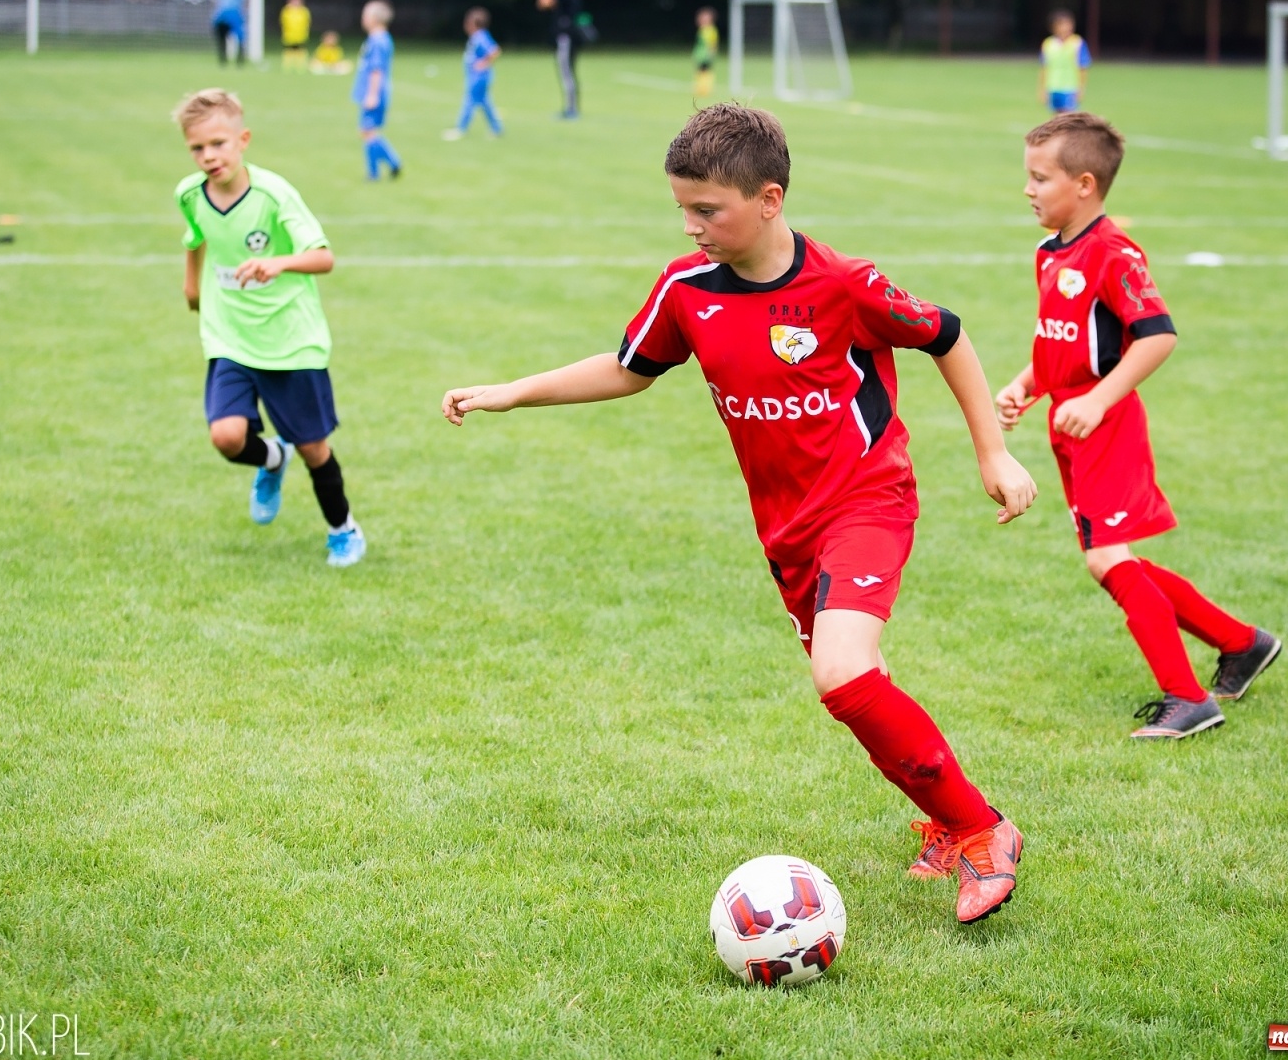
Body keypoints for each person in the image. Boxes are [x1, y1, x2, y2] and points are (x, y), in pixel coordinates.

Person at [442, 104, 1036, 925]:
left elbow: (948, 336)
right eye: (682, 209)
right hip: (785, 529)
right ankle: (946, 821)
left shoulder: (844, 285)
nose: (692, 228)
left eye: (708, 211)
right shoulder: (687, 292)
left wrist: (992, 454)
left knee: (844, 673)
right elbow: (628, 367)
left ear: (769, 197)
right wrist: (513, 391)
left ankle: (981, 832)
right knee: (860, 688)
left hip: (868, 498)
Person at [996, 113, 1281, 740]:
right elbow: (1065, 341)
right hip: (1069, 420)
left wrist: (1098, 401)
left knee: (1107, 559)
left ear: (1086, 184)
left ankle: (1187, 698)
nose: (1029, 190)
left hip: (1106, 425)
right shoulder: (1051, 251)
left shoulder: (1113, 252)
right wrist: (1026, 384)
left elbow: (1157, 337)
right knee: (1110, 557)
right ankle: (1242, 642)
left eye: (1040, 178)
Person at [173, 88, 366, 568]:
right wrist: (192, 285)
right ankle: (271, 461)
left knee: (313, 448)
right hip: (229, 336)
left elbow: (324, 258)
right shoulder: (189, 194)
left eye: (218, 143)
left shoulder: (274, 194)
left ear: (243, 139)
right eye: (197, 148)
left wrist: (277, 263)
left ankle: (343, 529)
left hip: (290, 342)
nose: (209, 156)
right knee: (226, 437)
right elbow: (195, 237)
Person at [354, 1, 401, 180]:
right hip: (373, 92)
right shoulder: (379, 38)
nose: (363, 18)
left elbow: (376, 69)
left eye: (365, 15)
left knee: (368, 131)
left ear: (374, 18)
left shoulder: (378, 40)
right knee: (367, 131)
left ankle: (377, 171)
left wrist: (372, 95)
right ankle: (391, 164)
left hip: (374, 93)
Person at [443, 6, 501, 140]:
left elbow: (495, 51)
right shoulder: (476, 37)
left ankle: (461, 128)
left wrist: (483, 64)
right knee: (485, 102)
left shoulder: (481, 36)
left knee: (469, 101)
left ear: (474, 24)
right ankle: (497, 128)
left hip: (479, 77)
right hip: (476, 76)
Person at [536, 0, 583, 119]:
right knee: (567, 73)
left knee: (567, 73)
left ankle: (571, 110)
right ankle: (570, 108)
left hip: (566, 39)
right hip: (565, 38)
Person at [1038, 9, 1089, 114]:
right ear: (1054, 27)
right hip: (1053, 87)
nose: (1066, 27)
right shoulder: (1048, 44)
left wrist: (1081, 88)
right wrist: (1042, 89)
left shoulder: (1077, 43)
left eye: (1069, 24)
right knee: (1056, 121)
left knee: (1068, 119)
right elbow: (1044, 68)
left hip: (1070, 87)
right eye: (1062, 24)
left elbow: (1083, 67)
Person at [693, 7, 718, 98]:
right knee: (699, 71)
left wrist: (711, 53)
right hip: (700, 55)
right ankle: (700, 87)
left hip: (706, 55)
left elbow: (712, 43)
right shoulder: (702, 30)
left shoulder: (711, 30)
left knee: (706, 71)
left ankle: (706, 88)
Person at [280, 0, 311, 72]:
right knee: (289, 51)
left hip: (300, 35)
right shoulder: (287, 11)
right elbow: (283, 21)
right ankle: (287, 67)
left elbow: (307, 22)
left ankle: (300, 67)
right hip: (289, 35)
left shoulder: (304, 11)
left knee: (300, 50)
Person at [211, 0, 245, 66]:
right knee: (240, 39)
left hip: (220, 18)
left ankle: (223, 61)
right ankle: (240, 61)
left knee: (221, 40)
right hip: (232, 16)